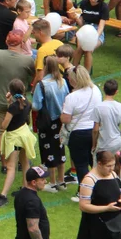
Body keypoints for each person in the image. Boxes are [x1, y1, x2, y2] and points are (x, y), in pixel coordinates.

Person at [0, 31, 35, 157]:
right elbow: (33, 79)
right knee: (20, 132)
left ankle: (4, 163)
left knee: (1, 133)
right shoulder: (28, 60)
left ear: (6, 41)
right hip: (19, 104)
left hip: (0, 101)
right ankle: (21, 161)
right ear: (22, 43)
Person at [0, 79, 36, 209]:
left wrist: (8, 106)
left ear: (10, 92)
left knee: (11, 167)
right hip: (25, 135)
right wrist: (9, 102)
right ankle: (26, 189)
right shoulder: (27, 103)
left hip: (15, 138)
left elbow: (5, 125)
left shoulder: (13, 107)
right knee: (25, 163)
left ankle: (3, 195)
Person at [32, 55, 70, 192]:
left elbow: (36, 106)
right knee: (60, 148)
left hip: (47, 121)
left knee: (48, 150)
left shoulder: (42, 84)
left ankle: (52, 182)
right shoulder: (63, 82)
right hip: (61, 120)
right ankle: (62, 181)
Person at [61, 66, 102, 186]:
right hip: (94, 130)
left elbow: (66, 119)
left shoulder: (72, 97)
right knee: (93, 161)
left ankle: (84, 190)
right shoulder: (95, 90)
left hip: (78, 133)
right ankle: (98, 186)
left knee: (81, 165)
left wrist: (61, 115)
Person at [74, 0, 109, 72]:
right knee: (79, 48)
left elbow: (101, 26)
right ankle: (73, 70)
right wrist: (75, 17)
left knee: (88, 49)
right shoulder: (84, 3)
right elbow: (81, 23)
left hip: (96, 31)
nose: (92, 0)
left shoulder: (104, 7)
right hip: (85, 29)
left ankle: (86, 74)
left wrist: (95, 36)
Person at [91, 79, 121, 156]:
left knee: (99, 166)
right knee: (116, 164)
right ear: (116, 92)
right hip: (117, 143)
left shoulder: (98, 107)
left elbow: (95, 130)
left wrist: (94, 144)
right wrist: (118, 135)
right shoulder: (120, 106)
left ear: (103, 89)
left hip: (104, 144)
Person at [31, 19, 63, 87]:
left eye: (34, 33)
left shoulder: (42, 50)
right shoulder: (60, 43)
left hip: (48, 85)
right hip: (61, 82)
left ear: (40, 32)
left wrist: (33, 89)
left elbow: (40, 76)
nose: (34, 35)